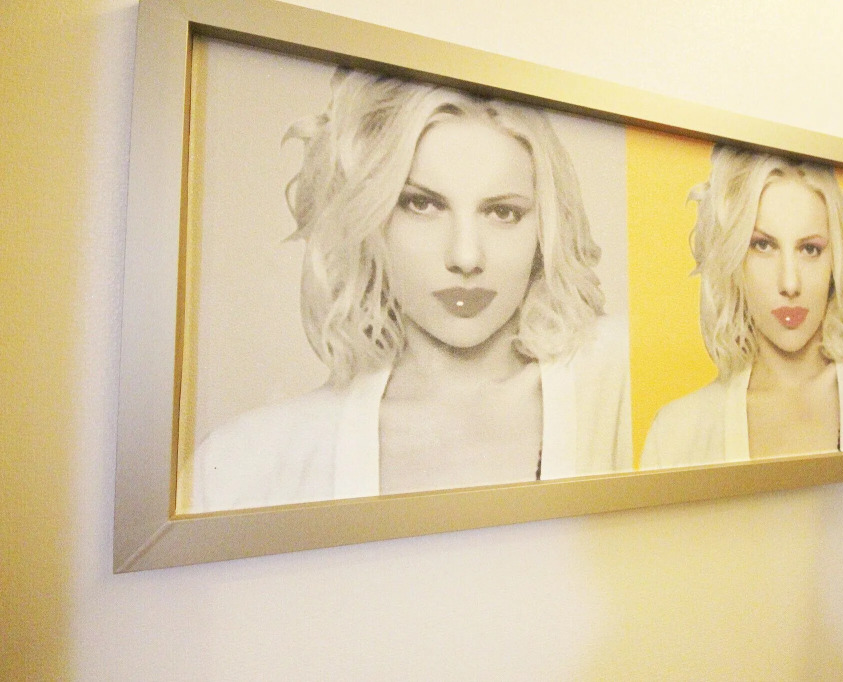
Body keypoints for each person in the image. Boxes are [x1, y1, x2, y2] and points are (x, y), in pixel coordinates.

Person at [189, 67, 632, 512]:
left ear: (545, 228)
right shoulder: (244, 466)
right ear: (369, 217)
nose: (465, 256)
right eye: (422, 204)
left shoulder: (620, 379)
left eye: (502, 213)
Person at [642, 144, 843, 468]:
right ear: (732, 259)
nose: (790, 284)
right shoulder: (678, 433)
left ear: (836, 260)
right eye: (763, 245)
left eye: (810, 249)